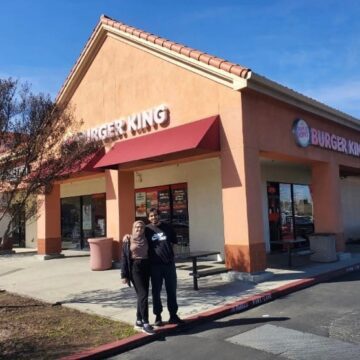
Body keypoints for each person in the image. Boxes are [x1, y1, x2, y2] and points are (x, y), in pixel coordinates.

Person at [145, 208, 184, 326]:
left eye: (155, 215)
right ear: (148, 218)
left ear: (159, 216)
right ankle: (158, 316)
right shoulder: (146, 230)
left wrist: (172, 257)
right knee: (156, 292)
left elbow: (174, 243)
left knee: (171, 290)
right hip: (155, 265)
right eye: (151, 216)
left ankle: (173, 315)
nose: (154, 217)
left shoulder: (168, 227)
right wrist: (127, 236)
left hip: (169, 265)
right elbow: (136, 237)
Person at [121, 220, 155, 335]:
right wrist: (124, 275)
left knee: (141, 295)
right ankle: (145, 323)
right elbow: (124, 259)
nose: (139, 229)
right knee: (143, 295)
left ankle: (138, 321)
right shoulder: (128, 240)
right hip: (135, 268)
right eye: (136, 227)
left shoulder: (146, 238)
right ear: (133, 228)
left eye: (141, 227)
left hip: (146, 266)